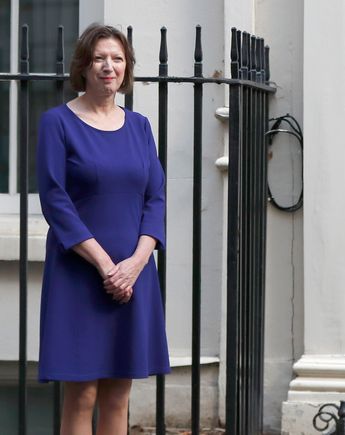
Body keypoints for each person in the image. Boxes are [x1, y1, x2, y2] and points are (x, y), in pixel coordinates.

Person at [37, 24, 170, 434]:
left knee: (119, 393)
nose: (108, 67)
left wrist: (134, 264)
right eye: (99, 58)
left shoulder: (141, 127)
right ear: (84, 66)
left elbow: (156, 199)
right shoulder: (56, 123)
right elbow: (55, 200)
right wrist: (105, 265)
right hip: (79, 274)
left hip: (133, 275)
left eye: (117, 59)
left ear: (126, 68)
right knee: (82, 395)